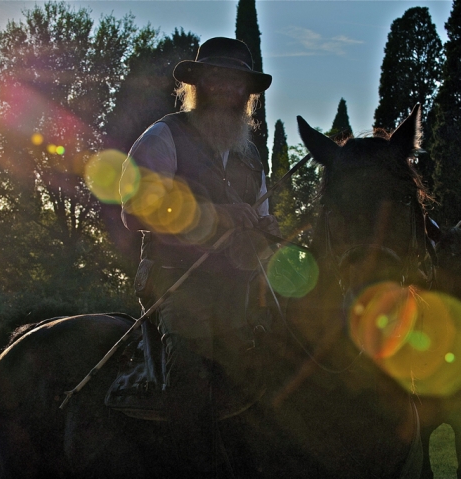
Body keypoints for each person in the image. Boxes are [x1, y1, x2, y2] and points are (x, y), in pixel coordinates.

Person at [119, 37, 278, 478]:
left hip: (241, 289)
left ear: (248, 93)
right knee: (191, 376)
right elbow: (135, 211)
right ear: (199, 84)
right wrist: (220, 216)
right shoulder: (164, 136)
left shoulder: (251, 157)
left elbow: (262, 219)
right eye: (218, 79)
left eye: (237, 83)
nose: (228, 89)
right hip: (177, 285)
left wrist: (267, 231)